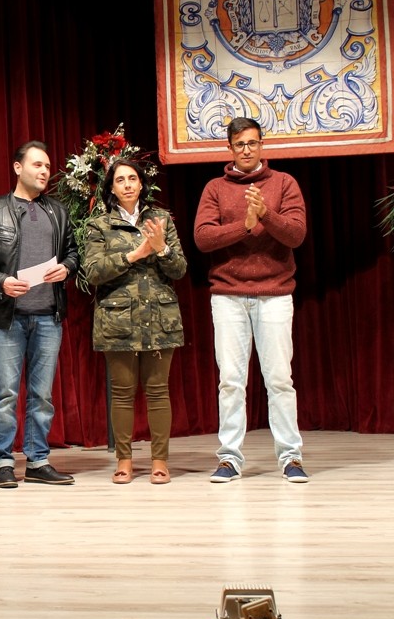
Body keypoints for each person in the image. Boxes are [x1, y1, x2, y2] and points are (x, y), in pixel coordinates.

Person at [194, 117, 309, 483]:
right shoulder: (215, 188)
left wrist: (265, 214)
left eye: (253, 143)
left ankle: (290, 457)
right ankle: (229, 458)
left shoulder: (284, 183)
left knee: (279, 379)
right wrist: (244, 224)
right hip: (228, 297)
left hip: (274, 295)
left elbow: (295, 235)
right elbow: (203, 238)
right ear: (229, 148)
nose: (247, 150)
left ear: (262, 145)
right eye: (240, 144)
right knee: (230, 380)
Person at [0, 140, 78, 488]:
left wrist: (68, 268)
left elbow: (73, 252)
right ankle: (3, 461)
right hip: (7, 317)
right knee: (6, 393)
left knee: (41, 394)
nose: (44, 171)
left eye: (47, 167)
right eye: (37, 165)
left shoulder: (57, 211)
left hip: (48, 315)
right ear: (18, 168)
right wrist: (1, 282)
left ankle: (38, 460)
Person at [82, 159, 187, 485]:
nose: (127, 184)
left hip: (158, 316)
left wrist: (163, 249)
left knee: (158, 392)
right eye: (120, 180)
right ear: (111, 187)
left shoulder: (161, 219)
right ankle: (124, 460)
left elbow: (179, 269)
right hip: (118, 320)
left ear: (141, 184)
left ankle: (160, 461)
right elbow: (92, 272)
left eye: (132, 179)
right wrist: (134, 254)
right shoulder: (99, 225)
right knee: (123, 393)